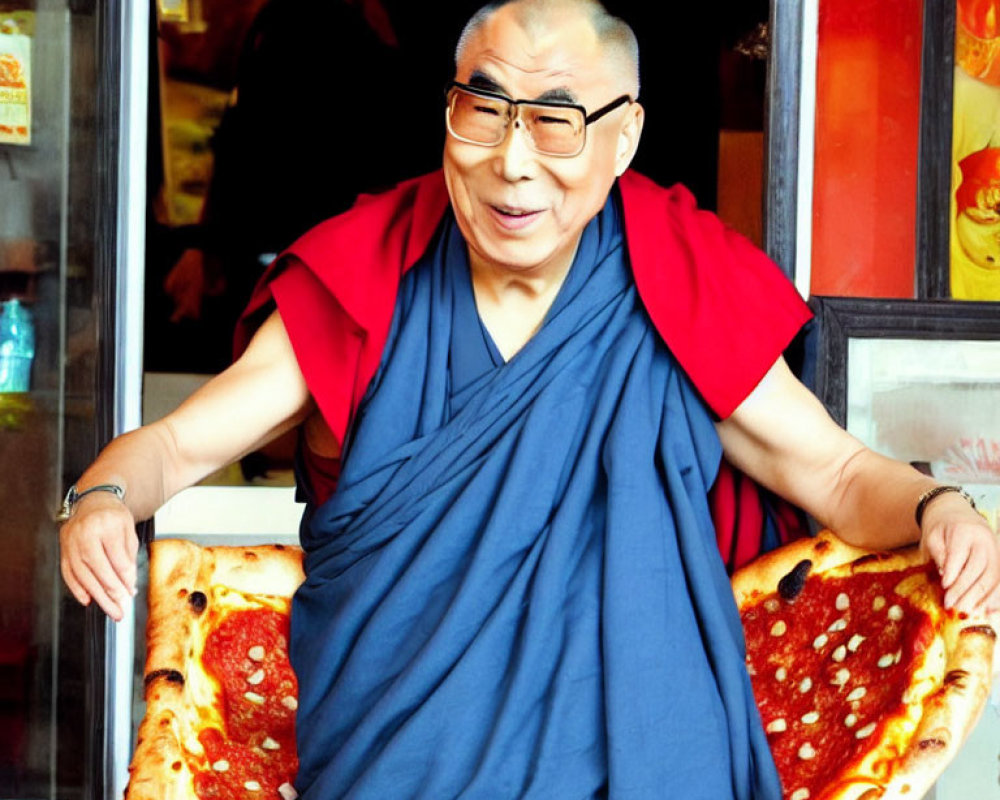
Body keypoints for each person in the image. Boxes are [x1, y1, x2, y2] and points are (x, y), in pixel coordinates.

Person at [60, 1, 999, 797]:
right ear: (447, 112)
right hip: (398, 766)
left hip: (643, 762)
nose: (513, 161)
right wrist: (104, 497)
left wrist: (939, 508)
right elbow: (178, 447)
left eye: (557, 120)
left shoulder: (673, 279)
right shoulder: (369, 274)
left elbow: (833, 471)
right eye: (485, 110)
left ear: (623, 136)